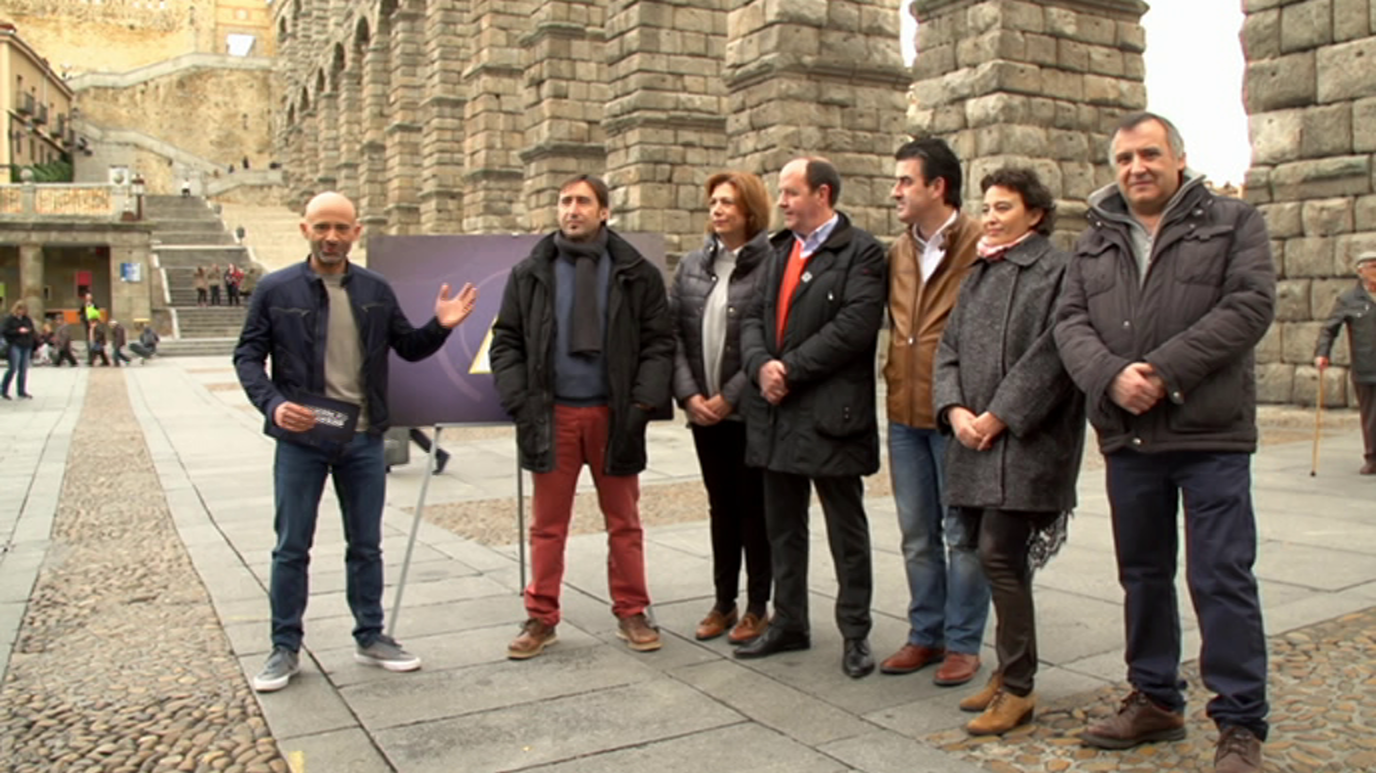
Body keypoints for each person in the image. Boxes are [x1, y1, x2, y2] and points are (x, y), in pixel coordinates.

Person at [1054, 111, 1274, 773]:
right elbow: (1069, 323)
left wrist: (1161, 370)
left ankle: (1239, 721)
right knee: (1143, 574)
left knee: (1221, 576)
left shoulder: (1235, 222)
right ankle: (1154, 696)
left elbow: (1249, 305)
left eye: (1149, 154)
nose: (1137, 168)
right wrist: (1111, 376)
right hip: (1130, 435)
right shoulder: (1093, 239)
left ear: (1178, 158)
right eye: (1124, 159)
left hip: (1210, 433)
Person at [233, 191, 478, 693]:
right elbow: (247, 356)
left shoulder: (375, 289)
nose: (331, 237)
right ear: (305, 229)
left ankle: (371, 636)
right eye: (322, 227)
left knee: (366, 545)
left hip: (363, 438)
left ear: (356, 232)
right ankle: (284, 647)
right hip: (301, 438)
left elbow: (408, 347)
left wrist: (440, 326)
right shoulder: (275, 289)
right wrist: (273, 404)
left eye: (341, 228)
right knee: (291, 547)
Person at [490, 174, 674, 660]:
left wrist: (641, 404)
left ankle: (632, 611)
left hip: (615, 416)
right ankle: (541, 617)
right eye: (565, 201)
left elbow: (659, 342)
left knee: (625, 523)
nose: (572, 209)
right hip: (552, 417)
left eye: (583, 202)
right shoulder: (531, 272)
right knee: (547, 526)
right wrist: (520, 401)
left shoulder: (635, 272)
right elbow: (506, 340)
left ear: (604, 212)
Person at [932, 168, 1085, 736]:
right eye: (987, 207)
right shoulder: (979, 271)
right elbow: (948, 348)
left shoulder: (1058, 270)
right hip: (974, 439)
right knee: (997, 558)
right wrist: (954, 410)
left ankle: (1018, 687)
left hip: (1027, 441)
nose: (990, 218)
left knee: (999, 554)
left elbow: (1053, 356)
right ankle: (1007, 672)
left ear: (1035, 214)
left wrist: (1000, 415)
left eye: (1003, 208)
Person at [733, 157, 887, 679]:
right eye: (781, 192)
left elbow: (855, 326)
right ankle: (790, 623)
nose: (781, 201)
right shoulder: (779, 252)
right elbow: (751, 319)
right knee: (783, 528)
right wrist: (760, 366)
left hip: (830, 415)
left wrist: (789, 369)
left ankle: (855, 633)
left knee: (846, 531)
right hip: (776, 412)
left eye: (791, 192)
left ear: (822, 194)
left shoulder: (861, 251)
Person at [879, 137, 990, 686]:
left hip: (956, 414)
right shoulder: (897, 252)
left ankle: (963, 643)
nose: (895, 191)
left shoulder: (980, 244)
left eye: (905, 180)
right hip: (904, 413)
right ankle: (926, 633)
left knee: (962, 533)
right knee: (916, 534)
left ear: (937, 187)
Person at [669, 171, 774, 645]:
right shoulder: (693, 265)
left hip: (748, 411)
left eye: (728, 202)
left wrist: (730, 394)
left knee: (754, 509)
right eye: (713, 201)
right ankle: (723, 601)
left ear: (750, 211)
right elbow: (673, 334)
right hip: (703, 413)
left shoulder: (771, 264)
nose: (717, 210)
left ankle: (758, 606)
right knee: (721, 508)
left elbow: (769, 339)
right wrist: (689, 395)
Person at [1314, 250, 1376, 474]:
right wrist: (1322, 353)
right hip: (1366, 366)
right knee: (1371, 415)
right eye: (1373, 266)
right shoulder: (1349, 300)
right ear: (1361, 271)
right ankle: (1373, 457)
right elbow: (1329, 329)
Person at [2, 301, 36, 399]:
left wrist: (29, 333)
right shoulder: (10, 319)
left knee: (23, 370)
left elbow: (32, 330)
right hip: (15, 345)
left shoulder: (27, 319)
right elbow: (5, 331)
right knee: (13, 368)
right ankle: (4, 390)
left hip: (26, 345)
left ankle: (21, 391)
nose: (22, 311)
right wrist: (17, 331)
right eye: (20, 309)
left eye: (24, 310)